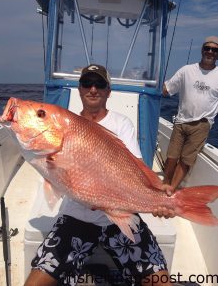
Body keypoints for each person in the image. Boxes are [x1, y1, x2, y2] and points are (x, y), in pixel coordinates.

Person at [25, 64, 173, 286]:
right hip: (76, 217)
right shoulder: (65, 126)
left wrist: (158, 195)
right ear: (80, 89)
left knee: (162, 283)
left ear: (108, 91)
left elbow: (135, 168)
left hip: (119, 216)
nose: (93, 89)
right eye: (87, 83)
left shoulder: (121, 124)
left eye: (100, 84)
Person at [163, 36, 218, 191]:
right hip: (181, 121)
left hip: (202, 124)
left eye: (214, 50)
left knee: (186, 160)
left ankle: (171, 189)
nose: (210, 52)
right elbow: (167, 89)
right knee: (172, 156)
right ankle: (165, 184)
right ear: (202, 50)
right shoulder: (186, 70)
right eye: (207, 48)